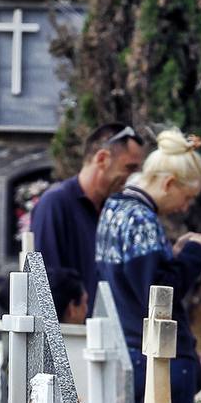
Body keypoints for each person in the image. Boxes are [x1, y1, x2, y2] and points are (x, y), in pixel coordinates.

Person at [96, 128, 201, 403]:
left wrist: (175, 254)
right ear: (168, 183)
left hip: (127, 350)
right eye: (188, 196)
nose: (185, 207)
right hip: (156, 361)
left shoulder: (114, 208)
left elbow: (135, 278)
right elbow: (159, 294)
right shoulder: (141, 218)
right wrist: (197, 254)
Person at [30, 123, 146, 311]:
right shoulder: (55, 203)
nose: (133, 178)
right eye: (129, 168)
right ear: (102, 158)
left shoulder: (114, 210)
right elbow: (46, 282)